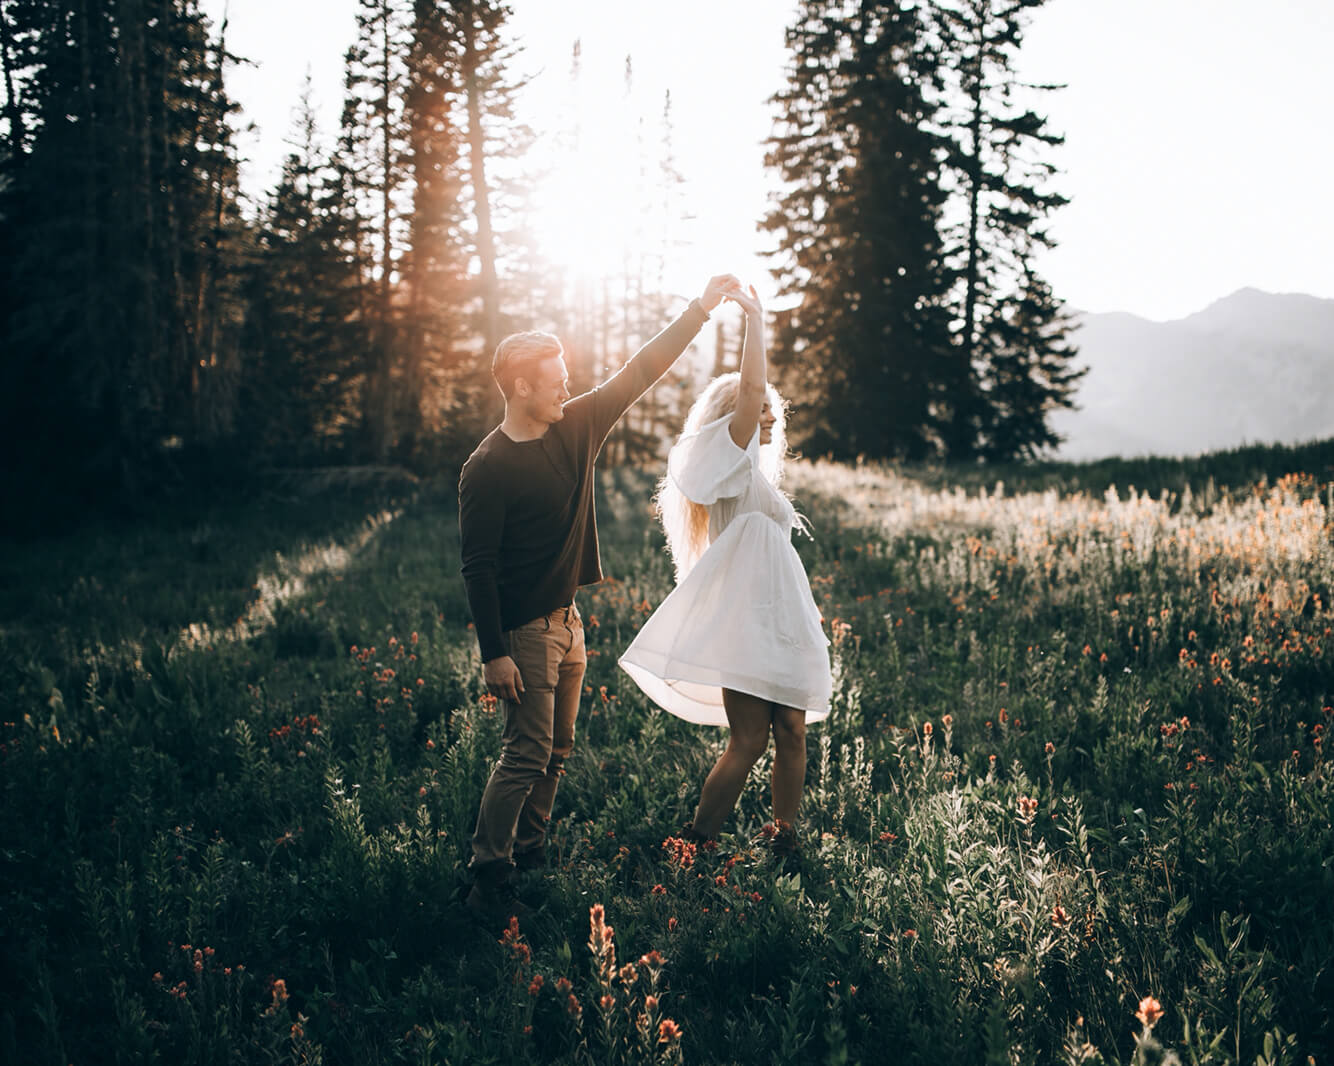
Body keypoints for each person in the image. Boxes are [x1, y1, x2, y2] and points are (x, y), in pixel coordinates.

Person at [459, 273, 741, 923]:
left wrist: (700, 307)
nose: (566, 386)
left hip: (570, 624)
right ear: (521, 387)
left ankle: (529, 851)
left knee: (557, 751)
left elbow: (640, 369)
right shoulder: (488, 466)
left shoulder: (574, 426)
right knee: (525, 752)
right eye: (554, 379)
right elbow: (477, 566)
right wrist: (493, 654)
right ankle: (486, 870)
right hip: (525, 633)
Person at [618, 284, 832, 861]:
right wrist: (755, 319)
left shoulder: (757, 479)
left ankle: (782, 841)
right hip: (744, 624)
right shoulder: (728, 461)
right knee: (750, 738)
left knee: (793, 733)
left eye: (769, 410)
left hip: (780, 620)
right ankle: (697, 844)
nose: (765, 413)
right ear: (729, 415)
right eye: (755, 406)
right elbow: (753, 385)